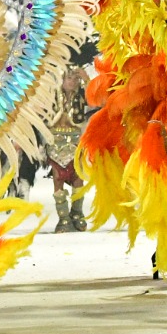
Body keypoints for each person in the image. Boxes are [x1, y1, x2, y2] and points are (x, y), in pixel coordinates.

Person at [46, 64, 93, 232]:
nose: (72, 82)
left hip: (75, 141)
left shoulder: (81, 95)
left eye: (75, 79)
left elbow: (95, 98)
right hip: (55, 142)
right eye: (69, 78)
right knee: (58, 178)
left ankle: (77, 213)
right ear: (62, 79)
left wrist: (87, 78)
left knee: (78, 178)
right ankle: (63, 218)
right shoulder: (51, 96)